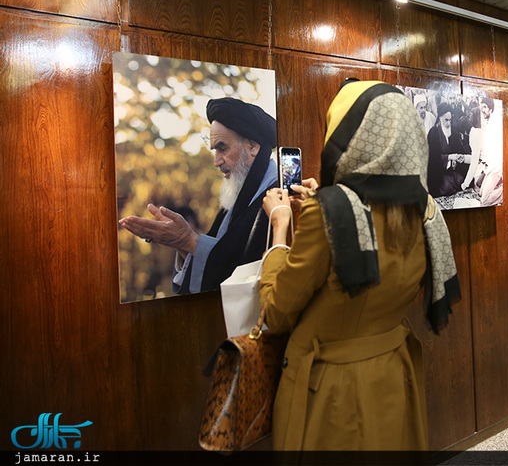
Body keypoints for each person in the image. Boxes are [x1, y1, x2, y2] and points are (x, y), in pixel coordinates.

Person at [258, 80, 461, 451]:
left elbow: (276, 312)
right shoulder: (426, 211)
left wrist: (281, 226)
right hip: (390, 376)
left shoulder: (331, 212)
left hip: (331, 393)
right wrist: (325, 201)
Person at [119, 97, 278, 294]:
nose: (217, 161)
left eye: (222, 148)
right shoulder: (237, 199)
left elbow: (252, 269)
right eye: (214, 150)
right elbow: (221, 261)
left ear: (252, 146)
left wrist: (188, 241)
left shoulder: (279, 197)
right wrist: (182, 244)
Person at [427, 106, 470, 197]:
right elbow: (433, 157)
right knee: (447, 188)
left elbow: (460, 151)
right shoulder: (434, 132)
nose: (448, 123)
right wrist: (449, 157)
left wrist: (456, 160)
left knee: (461, 181)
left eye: (450, 120)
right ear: (440, 119)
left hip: (452, 170)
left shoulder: (453, 132)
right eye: (446, 120)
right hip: (440, 171)